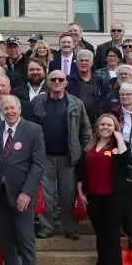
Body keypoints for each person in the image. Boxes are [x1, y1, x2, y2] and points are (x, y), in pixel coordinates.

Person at [0, 95, 47, 265]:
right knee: (5, 241)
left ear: (19, 109)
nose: (9, 111)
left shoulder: (33, 130)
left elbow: (38, 165)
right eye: (5, 108)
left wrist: (27, 192)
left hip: (22, 196)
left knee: (25, 241)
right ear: (1, 110)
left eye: (12, 108)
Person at [29, 69, 92, 240]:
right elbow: (30, 128)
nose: (57, 82)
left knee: (68, 195)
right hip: (45, 156)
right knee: (47, 195)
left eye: (60, 79)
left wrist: (85, 151)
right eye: (53, 79)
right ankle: (46, 227)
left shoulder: (76, 103)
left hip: (69, 157)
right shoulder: (38, 102)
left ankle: (70, 227)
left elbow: (86, 130)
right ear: (48, 82)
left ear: (66, 82)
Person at [76, 113, 130, 265]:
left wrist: (119, 138)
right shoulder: (90, 147)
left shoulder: (119, 147)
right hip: (94, 198)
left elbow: (125, 161)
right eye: (102, 125)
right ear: (97, 127)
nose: (105, 128)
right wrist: (80, 192)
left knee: (112, 239)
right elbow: (81, 171)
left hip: (113, 198)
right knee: (101, 239)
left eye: (109, 125)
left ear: (115, 127)